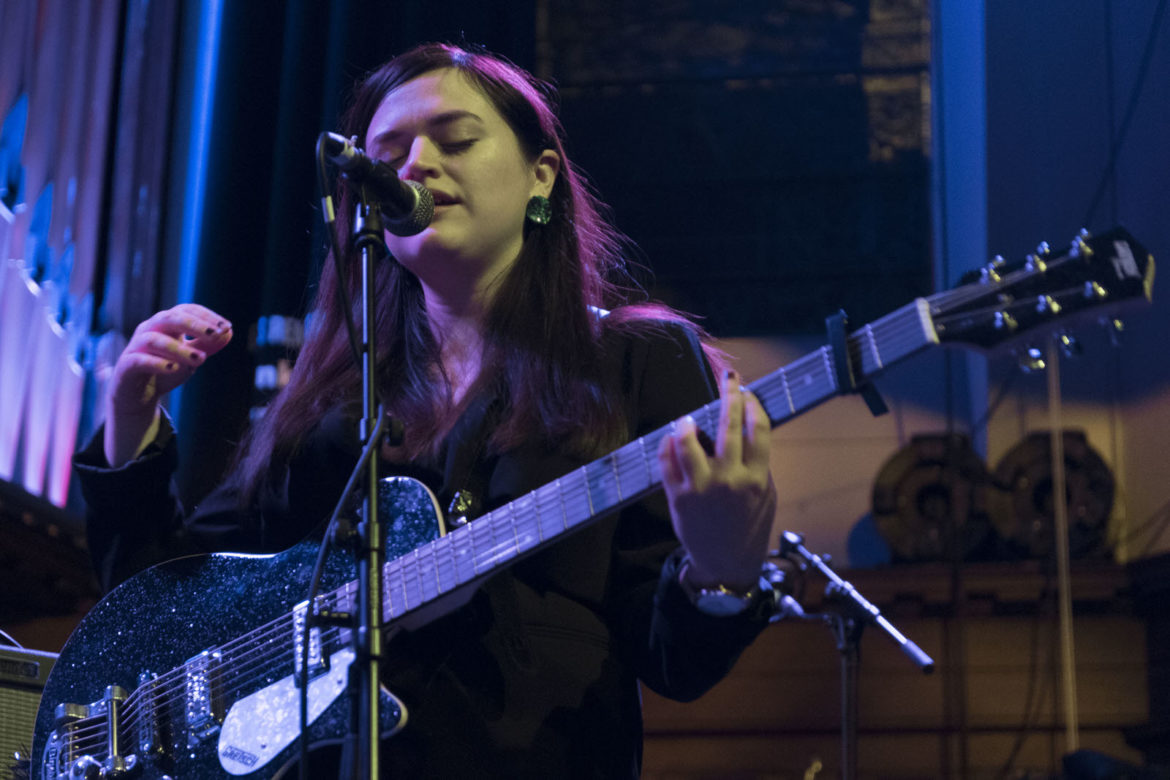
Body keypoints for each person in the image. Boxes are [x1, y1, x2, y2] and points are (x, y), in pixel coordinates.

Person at [74, 42, 778, 778]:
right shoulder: (333, 406)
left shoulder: (637, 360)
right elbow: (166, 620)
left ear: (542, 179)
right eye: (388, 152)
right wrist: (131, 420)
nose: (414, 165)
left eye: (455, 140)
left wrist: (722, 569)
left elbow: (673, 662)